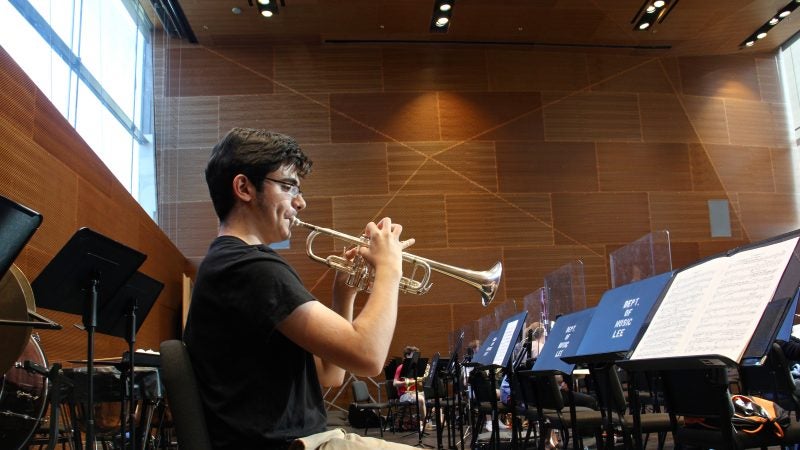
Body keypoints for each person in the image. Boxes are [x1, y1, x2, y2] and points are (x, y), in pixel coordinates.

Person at [183, 128, 417, 450]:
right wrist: (390, 267)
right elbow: (369, 357)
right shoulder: (250, 269)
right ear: (244, 187)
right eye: (287, 186)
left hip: (308, 439)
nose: (301, 201)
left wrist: (344, 294)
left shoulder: (233, 264)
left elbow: (329, 375)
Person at [393, 345, 428, 431]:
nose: (415, 358)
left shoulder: (416, 368)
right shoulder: (401, 367)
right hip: (404, 395)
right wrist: (407, 382)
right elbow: (395, 383)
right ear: (407, 356)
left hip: (414, 393)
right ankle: (423, 424)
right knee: (421, 399)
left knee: (433, 397)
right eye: (413, 355)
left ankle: (420, 422)